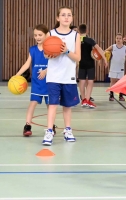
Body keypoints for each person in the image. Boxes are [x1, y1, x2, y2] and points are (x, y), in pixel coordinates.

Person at [42, 6, 81, 146]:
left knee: (67, 105)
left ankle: (68, 130)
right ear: (58, 18)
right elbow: (45, 54)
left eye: (69, 15)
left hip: (68, 77)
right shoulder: (51, 34)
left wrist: (66, 51)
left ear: (72, 18)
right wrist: (51, 52)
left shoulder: (76, 35)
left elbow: (78, 57)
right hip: (53, 76)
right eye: (63, 15)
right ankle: (49, 131)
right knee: (52, 104)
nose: (66, 17)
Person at [16, 24, 56, 136]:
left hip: (49, 82)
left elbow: (55, 64)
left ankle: (51, 126)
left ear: (46, 35)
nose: (37, 37)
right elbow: (27, 64)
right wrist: (17, 75)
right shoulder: (33, 49)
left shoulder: (51, 48)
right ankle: (27, 125)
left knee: (50, 106)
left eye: (40, 35)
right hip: (37, 82)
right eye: (35, 35)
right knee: (32, 103)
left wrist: (45, 71)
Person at [78, 24, 107, 108]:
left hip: (81, 64)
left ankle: (83, 100)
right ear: (87, 31)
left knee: (81, 82)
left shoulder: (77, 40)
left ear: (79, 31)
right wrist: (104, 59)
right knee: (90, 82)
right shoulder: (90, 40)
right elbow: (99, 49)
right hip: (90, 64)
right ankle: (87, 100)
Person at [105, 33, 126, 101]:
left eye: (120, 38)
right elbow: (106, 51)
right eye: (117, 38)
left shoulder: (125, 48)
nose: (118, 40)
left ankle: (121, 95)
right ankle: (111, 95)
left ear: (122, 40)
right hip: (113, 67)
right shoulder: (113, 46)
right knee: (112, 81)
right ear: (115, 39)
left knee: (120, 82)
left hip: (121, 67)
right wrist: (108, 55)